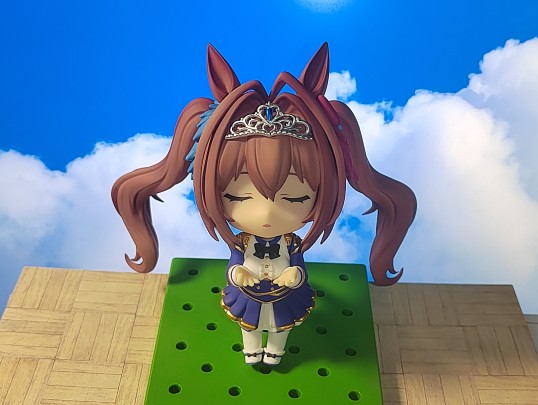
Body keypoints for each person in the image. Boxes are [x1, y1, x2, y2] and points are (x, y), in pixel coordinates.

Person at [111, 43, 417, 365]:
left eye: (296, 199)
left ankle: (275, 352)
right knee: (249, 328)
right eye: (238, 197)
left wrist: (294, 276)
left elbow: (298, 266)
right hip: (249, 296)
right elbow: (234, 265)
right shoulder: (243, 243)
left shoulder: (291, 244)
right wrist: (238, 275)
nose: (267, 212)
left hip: (285, 297)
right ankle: (252, 351)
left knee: (281, 329)